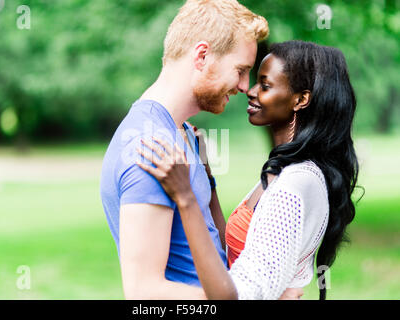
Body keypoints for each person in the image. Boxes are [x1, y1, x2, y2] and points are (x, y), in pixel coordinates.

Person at [137, 40, 359, 299]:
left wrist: (184, 195)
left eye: (264, 86)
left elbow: (237, 295)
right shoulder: (281, 171)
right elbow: (232, 255)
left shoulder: (296, 183)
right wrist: (207, 178)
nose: (250, 91)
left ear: (301, 99)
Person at [101, 0, 281, 299]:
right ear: (202, 56)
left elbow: (210, 243)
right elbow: (144, 291)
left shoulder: (181, 134)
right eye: (240, 70)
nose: (243, 85)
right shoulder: (150, 147)